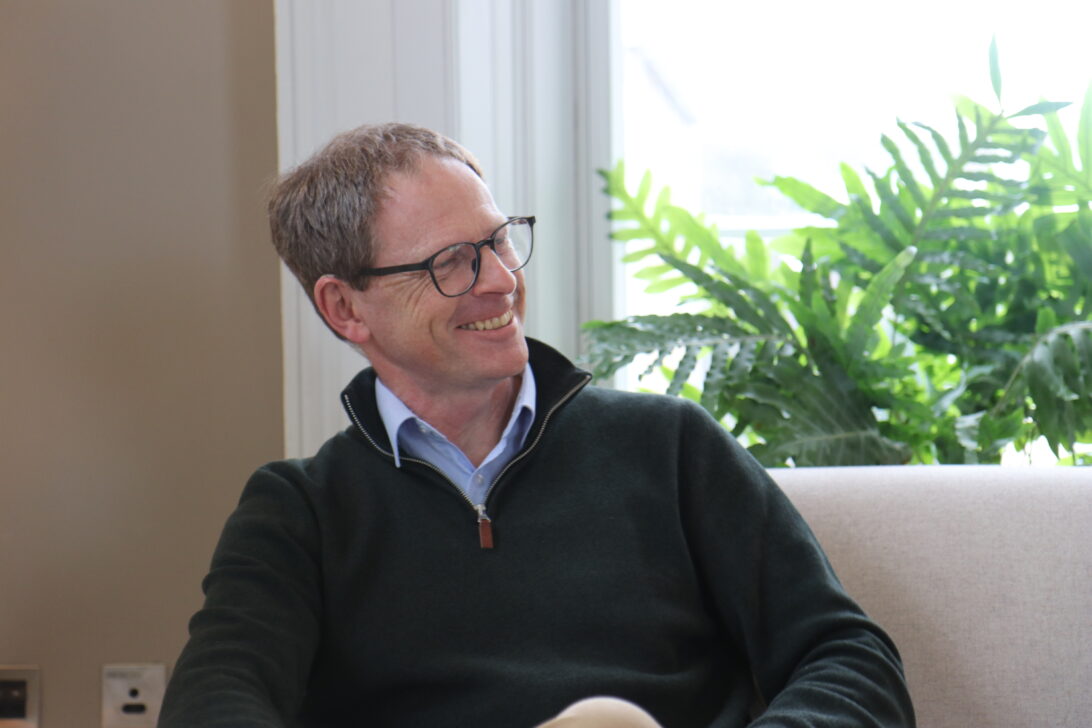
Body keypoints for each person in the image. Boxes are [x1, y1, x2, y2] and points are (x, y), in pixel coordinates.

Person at [159, 123, 915, 727]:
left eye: (499, 240)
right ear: (346, 308)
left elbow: (847, 657)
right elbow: (214, 702)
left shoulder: (670, 448)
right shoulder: (298, 514)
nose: (500, 278)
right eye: (451, 262)